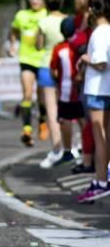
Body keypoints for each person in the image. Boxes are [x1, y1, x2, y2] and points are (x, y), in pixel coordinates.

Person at [77, 0, 110, 202]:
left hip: (97, 89)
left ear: (92, 10)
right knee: (107, 135)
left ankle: (100, 181)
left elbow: (100, 63)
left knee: (100, 138)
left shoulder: (98, 33)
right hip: (108, 88)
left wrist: (84, 58)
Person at [10, 0, 49, 146]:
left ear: (43, 0)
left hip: (43, 60)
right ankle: (26, 130)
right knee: (27, 94)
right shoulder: (21, 15)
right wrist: (13, 44)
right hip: (26, 59)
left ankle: (42, 121)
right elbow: (13, 31)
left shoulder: (46, 14)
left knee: (42, 97)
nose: (34, 1)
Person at [36, 0, 69, 167]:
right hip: (65, 64)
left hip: (46, 65)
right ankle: (69, 146)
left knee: (51, 109)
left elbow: (39, 45)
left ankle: (56, 149)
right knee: (67, 105)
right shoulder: (67, 20)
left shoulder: (43, 22)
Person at [49, 16, 82, 170]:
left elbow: (53, 70)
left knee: (66, 119)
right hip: (81, 87)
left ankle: (68, 150)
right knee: (83, 118)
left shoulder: (59, 48)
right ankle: (88, 145)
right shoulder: (79, 46)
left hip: (66, 89)